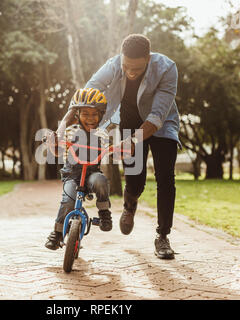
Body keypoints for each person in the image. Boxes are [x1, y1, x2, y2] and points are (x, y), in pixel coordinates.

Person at [56, 34, 180, 260]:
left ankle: (162, 236)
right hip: (129, 123)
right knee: (135, 177)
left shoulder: (166, 68)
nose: (130, 72)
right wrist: (62, 126)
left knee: (165, 178)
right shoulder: (113, 65)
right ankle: (130, 204)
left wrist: (134, 141)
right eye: (126, 67)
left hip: (161, 126)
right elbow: (87, 94)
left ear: (148, 59)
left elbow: (158, 115)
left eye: (137, 69)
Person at [45, 88, 112, 250]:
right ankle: (57, 233)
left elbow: (111, 148)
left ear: (101, 115)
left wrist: (117, 149)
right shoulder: (69, 132)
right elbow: (56, 150)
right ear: (77, 114)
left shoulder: (102, 135)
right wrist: (53, 142)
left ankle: (104, 213)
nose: (90, 118)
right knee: (68, 201)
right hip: (72, 176)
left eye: (94, 114)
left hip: (92, 174)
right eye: (85, 114)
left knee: (101, 181)